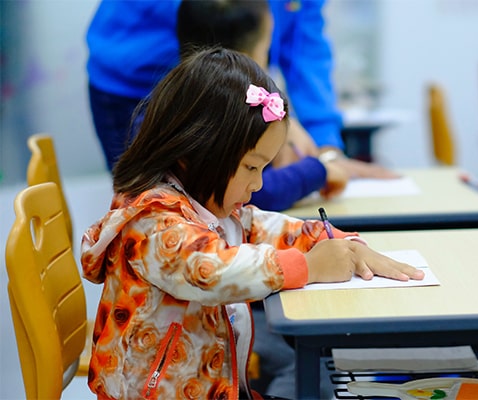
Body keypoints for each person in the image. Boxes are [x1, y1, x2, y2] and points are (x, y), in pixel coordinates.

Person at [80, 47, 423, 399]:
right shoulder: (152, 222)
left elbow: (261, 227)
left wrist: (332, 240)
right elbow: (211, 270)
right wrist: (307, 266)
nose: (258, 184)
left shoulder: (208, 208)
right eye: (251, 167)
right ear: (194, 152)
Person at [86, 0, 395, 178]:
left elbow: (304, 43)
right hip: (139, 84)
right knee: (167, 209)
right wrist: (273, 111)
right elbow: (219, 25)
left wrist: (326, 148)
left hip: (227, 79)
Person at [176, 0, 348, 212]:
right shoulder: (217, 120)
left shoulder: (175, 102)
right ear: (244, 60)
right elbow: (254, 195)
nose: (256, 183)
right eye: (266, 51)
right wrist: (319, 171)